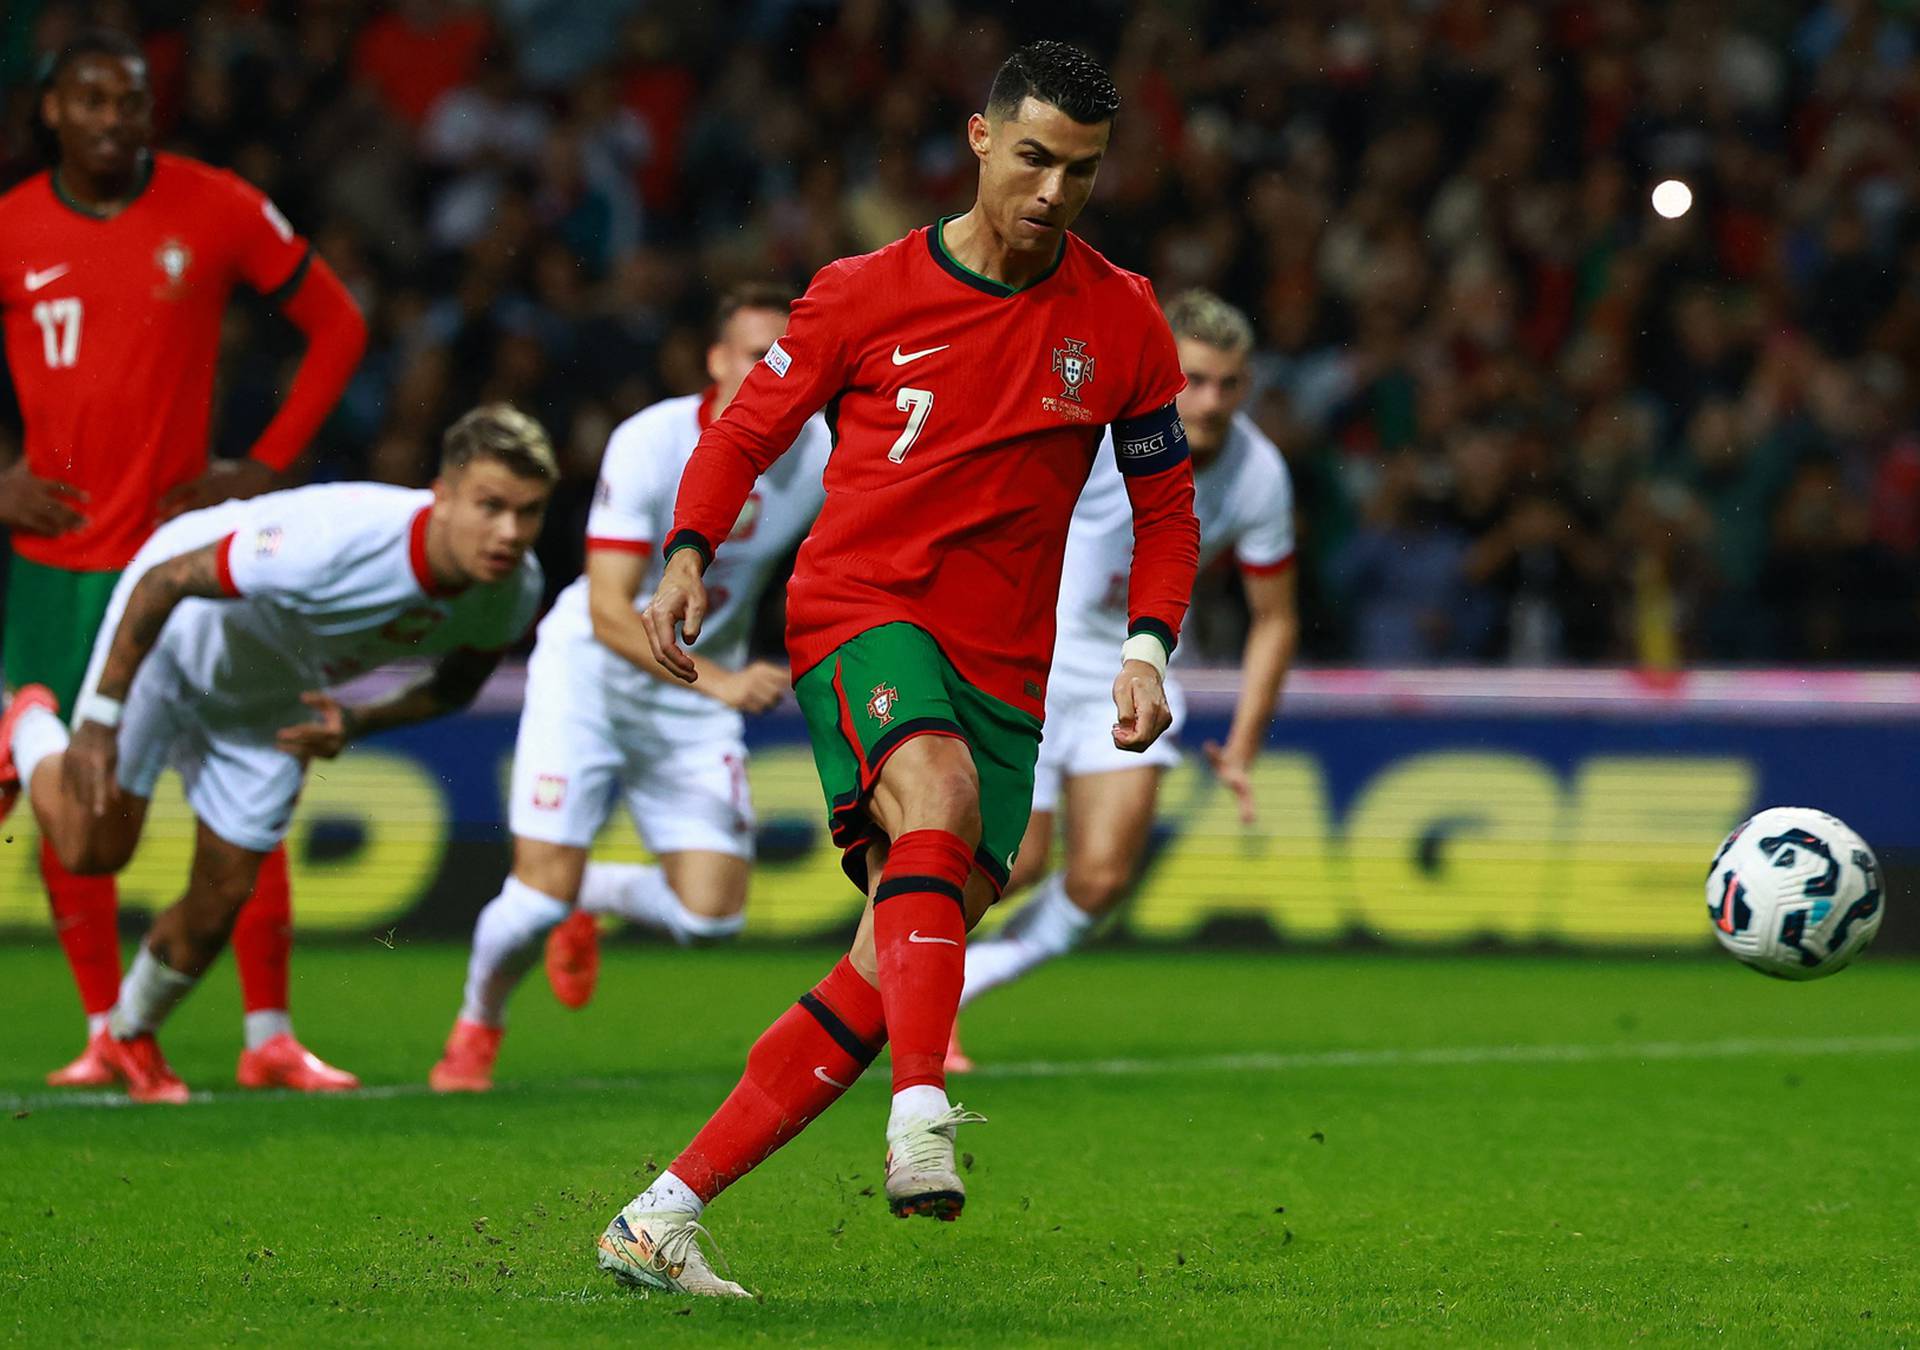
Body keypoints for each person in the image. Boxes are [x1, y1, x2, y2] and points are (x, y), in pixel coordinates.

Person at [595, 41, 1200, 1297]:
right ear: (980, 141)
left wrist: (1148, 644)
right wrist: (690, 550)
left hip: (1006, 671)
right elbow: (748, 425)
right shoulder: (863, 293)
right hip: (863, 609)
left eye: (1079, 171)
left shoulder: (1125, 317)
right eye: (1032, 157)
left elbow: (1165, 508)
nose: (1052, 192)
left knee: (885, 969)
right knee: (935, 798)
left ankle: (661, 1215)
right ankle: (924, 1110)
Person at [0, 29, 367, 1090]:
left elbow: (337, 323)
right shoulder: (13, 226)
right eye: (95, 100)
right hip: (60, 562)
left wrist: (262, 465)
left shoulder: (216, 204)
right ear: (53, 114)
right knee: (79, 794)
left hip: (189, 558)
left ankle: (269, 1039)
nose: (118, 117)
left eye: (135, 99)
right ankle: (105, 1028)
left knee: (254, 766)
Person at [0, 405, 551, 1103]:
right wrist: (101, 721)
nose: (508, 533)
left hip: (271, 696)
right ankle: (28, 721)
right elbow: (164, 582)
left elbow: (457, 685)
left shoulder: (513, 589)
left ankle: (129, 1036)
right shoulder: (334, 540)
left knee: (219, 900)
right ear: (442, 496)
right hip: (176, 639)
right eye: (490, 506)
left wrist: (355, 721)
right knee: (91, 848)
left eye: (528, 513)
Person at [427, 284, 831, 1092]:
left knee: (713, 918)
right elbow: (613, 608)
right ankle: (476, 1028)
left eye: (789, 357)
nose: (774, 370)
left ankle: (593, 893)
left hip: (688, 696)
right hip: (596, 673)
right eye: (758, 354)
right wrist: (718, 679)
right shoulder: (649, 444)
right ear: (716, 364)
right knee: (536, 896)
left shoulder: (820, 454)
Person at [948, 290, 1299, 1068]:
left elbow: (1275, 617)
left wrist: (1242, 748)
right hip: (1029, 657)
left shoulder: (1260, 474)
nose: (1210, 401)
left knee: (1102, 878)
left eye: (1229, 385)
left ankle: (952, 983)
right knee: (1019, 860)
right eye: (1196, 379)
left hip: (1132, 671)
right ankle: (915, 993)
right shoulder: (1098, 429)